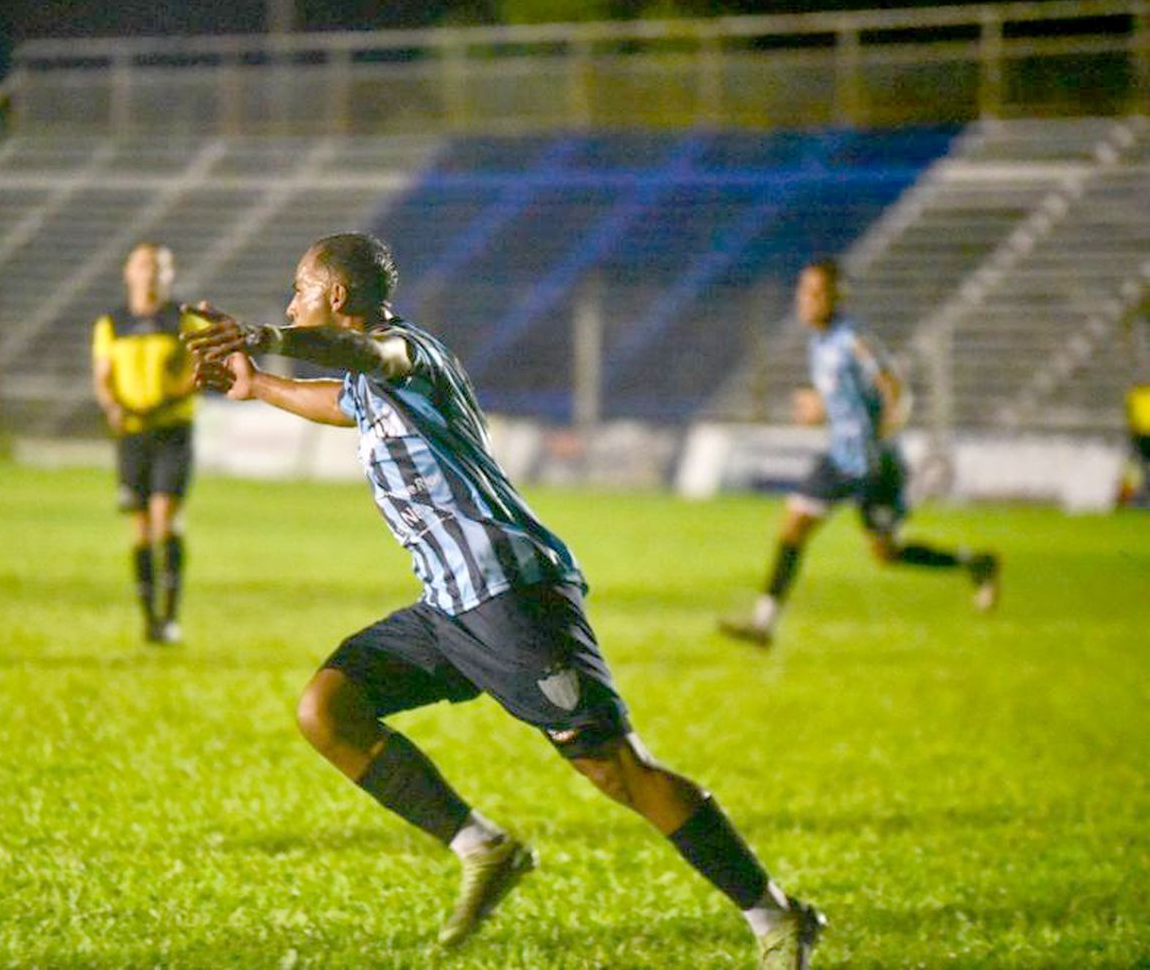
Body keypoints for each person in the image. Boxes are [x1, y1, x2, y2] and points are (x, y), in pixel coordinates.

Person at [183, 232, 825, 967]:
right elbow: (345, 400)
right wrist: (258, 384)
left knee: (616, 768)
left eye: (298, 289)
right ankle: (484, 847)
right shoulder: (373, 380)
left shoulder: (403, 349)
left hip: (512, 595)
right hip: (450, 605)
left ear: (335, 298)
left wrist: (268, 338)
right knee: (326, 709)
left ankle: (776, 919)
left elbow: (370, 359)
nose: (289, 301)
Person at [719, 258, 1000, 648]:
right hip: (840, 458)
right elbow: (849, 401)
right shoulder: (819, 341)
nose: (806, 300)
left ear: (836, 297)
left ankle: (976, 562)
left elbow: (895, 390)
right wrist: (822, 410)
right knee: (792, 526)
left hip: (872, 466)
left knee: (886, 553)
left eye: (816, 293)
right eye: (803, 291)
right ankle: (763, 625)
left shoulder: (853, 338)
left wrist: (881, 436)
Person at [92, 242, 202, 645]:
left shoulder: (183, 321)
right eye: (143, 266)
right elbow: (103, 376)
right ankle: (150, 620)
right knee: (139, 528)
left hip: (172, 429)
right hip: (132, 433)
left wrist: (170, 397)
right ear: (128, 273)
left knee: (165, 519)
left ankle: (171, 617)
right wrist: (112, 407)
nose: (150, 273)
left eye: (159, 267)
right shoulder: (112, 323)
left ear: (169, 275)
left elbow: (201, 367)